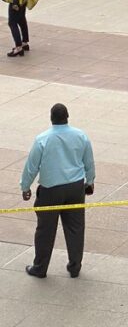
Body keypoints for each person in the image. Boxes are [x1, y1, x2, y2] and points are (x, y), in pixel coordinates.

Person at [20, 104, 95, 278]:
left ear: (51, 118)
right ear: (67, 116)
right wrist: (89, 181)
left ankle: (40, 268)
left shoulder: (42, 139)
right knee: (76, 228)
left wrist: (25, 187)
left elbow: (31, 167)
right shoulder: (81, 136)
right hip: (75, 187)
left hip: (50, 190)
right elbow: (89, 162)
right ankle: (75, 266)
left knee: (45, 229)